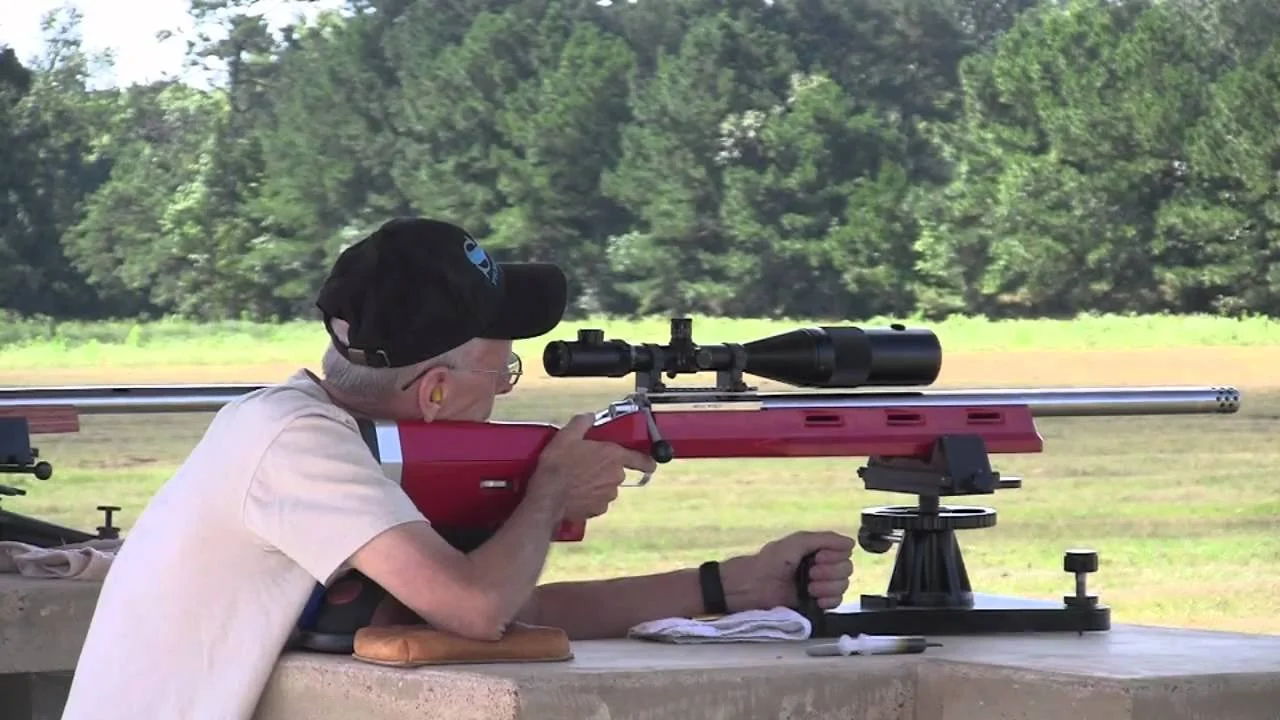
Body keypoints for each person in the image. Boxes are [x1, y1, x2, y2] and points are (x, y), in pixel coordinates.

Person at [59, 217, 856, 720]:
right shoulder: (293, 444)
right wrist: (548, 491)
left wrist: (731, 587)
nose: (505, 392)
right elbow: (476, 608)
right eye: (502, 372)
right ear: (435, 391)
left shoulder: (305, 431)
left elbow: (502, 604)